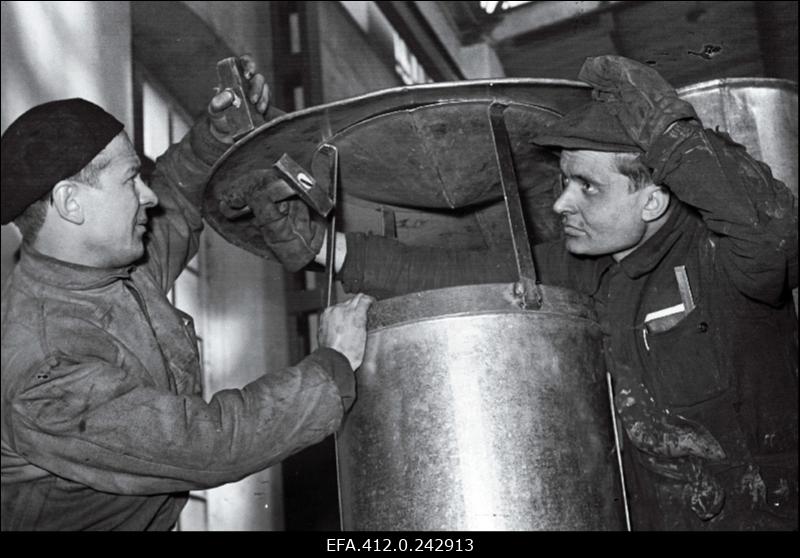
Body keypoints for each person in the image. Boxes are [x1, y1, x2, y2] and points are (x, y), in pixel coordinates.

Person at [248, 55, 798, 530]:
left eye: (588, 186)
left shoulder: (724, 261)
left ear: (652, 202)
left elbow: (772, 227)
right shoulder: (593, 268)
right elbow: (455, 274)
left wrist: (670, 132)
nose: (561, 204)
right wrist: (327, 248)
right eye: (564, 182)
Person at [0, 56, 374, 531]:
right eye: (129, 180)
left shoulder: (105, 268)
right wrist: (330, 365)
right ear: (71, 203)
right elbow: (206, 444)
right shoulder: (45, 370)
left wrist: (219, 133)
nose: (147, 195)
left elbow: (173, 195)